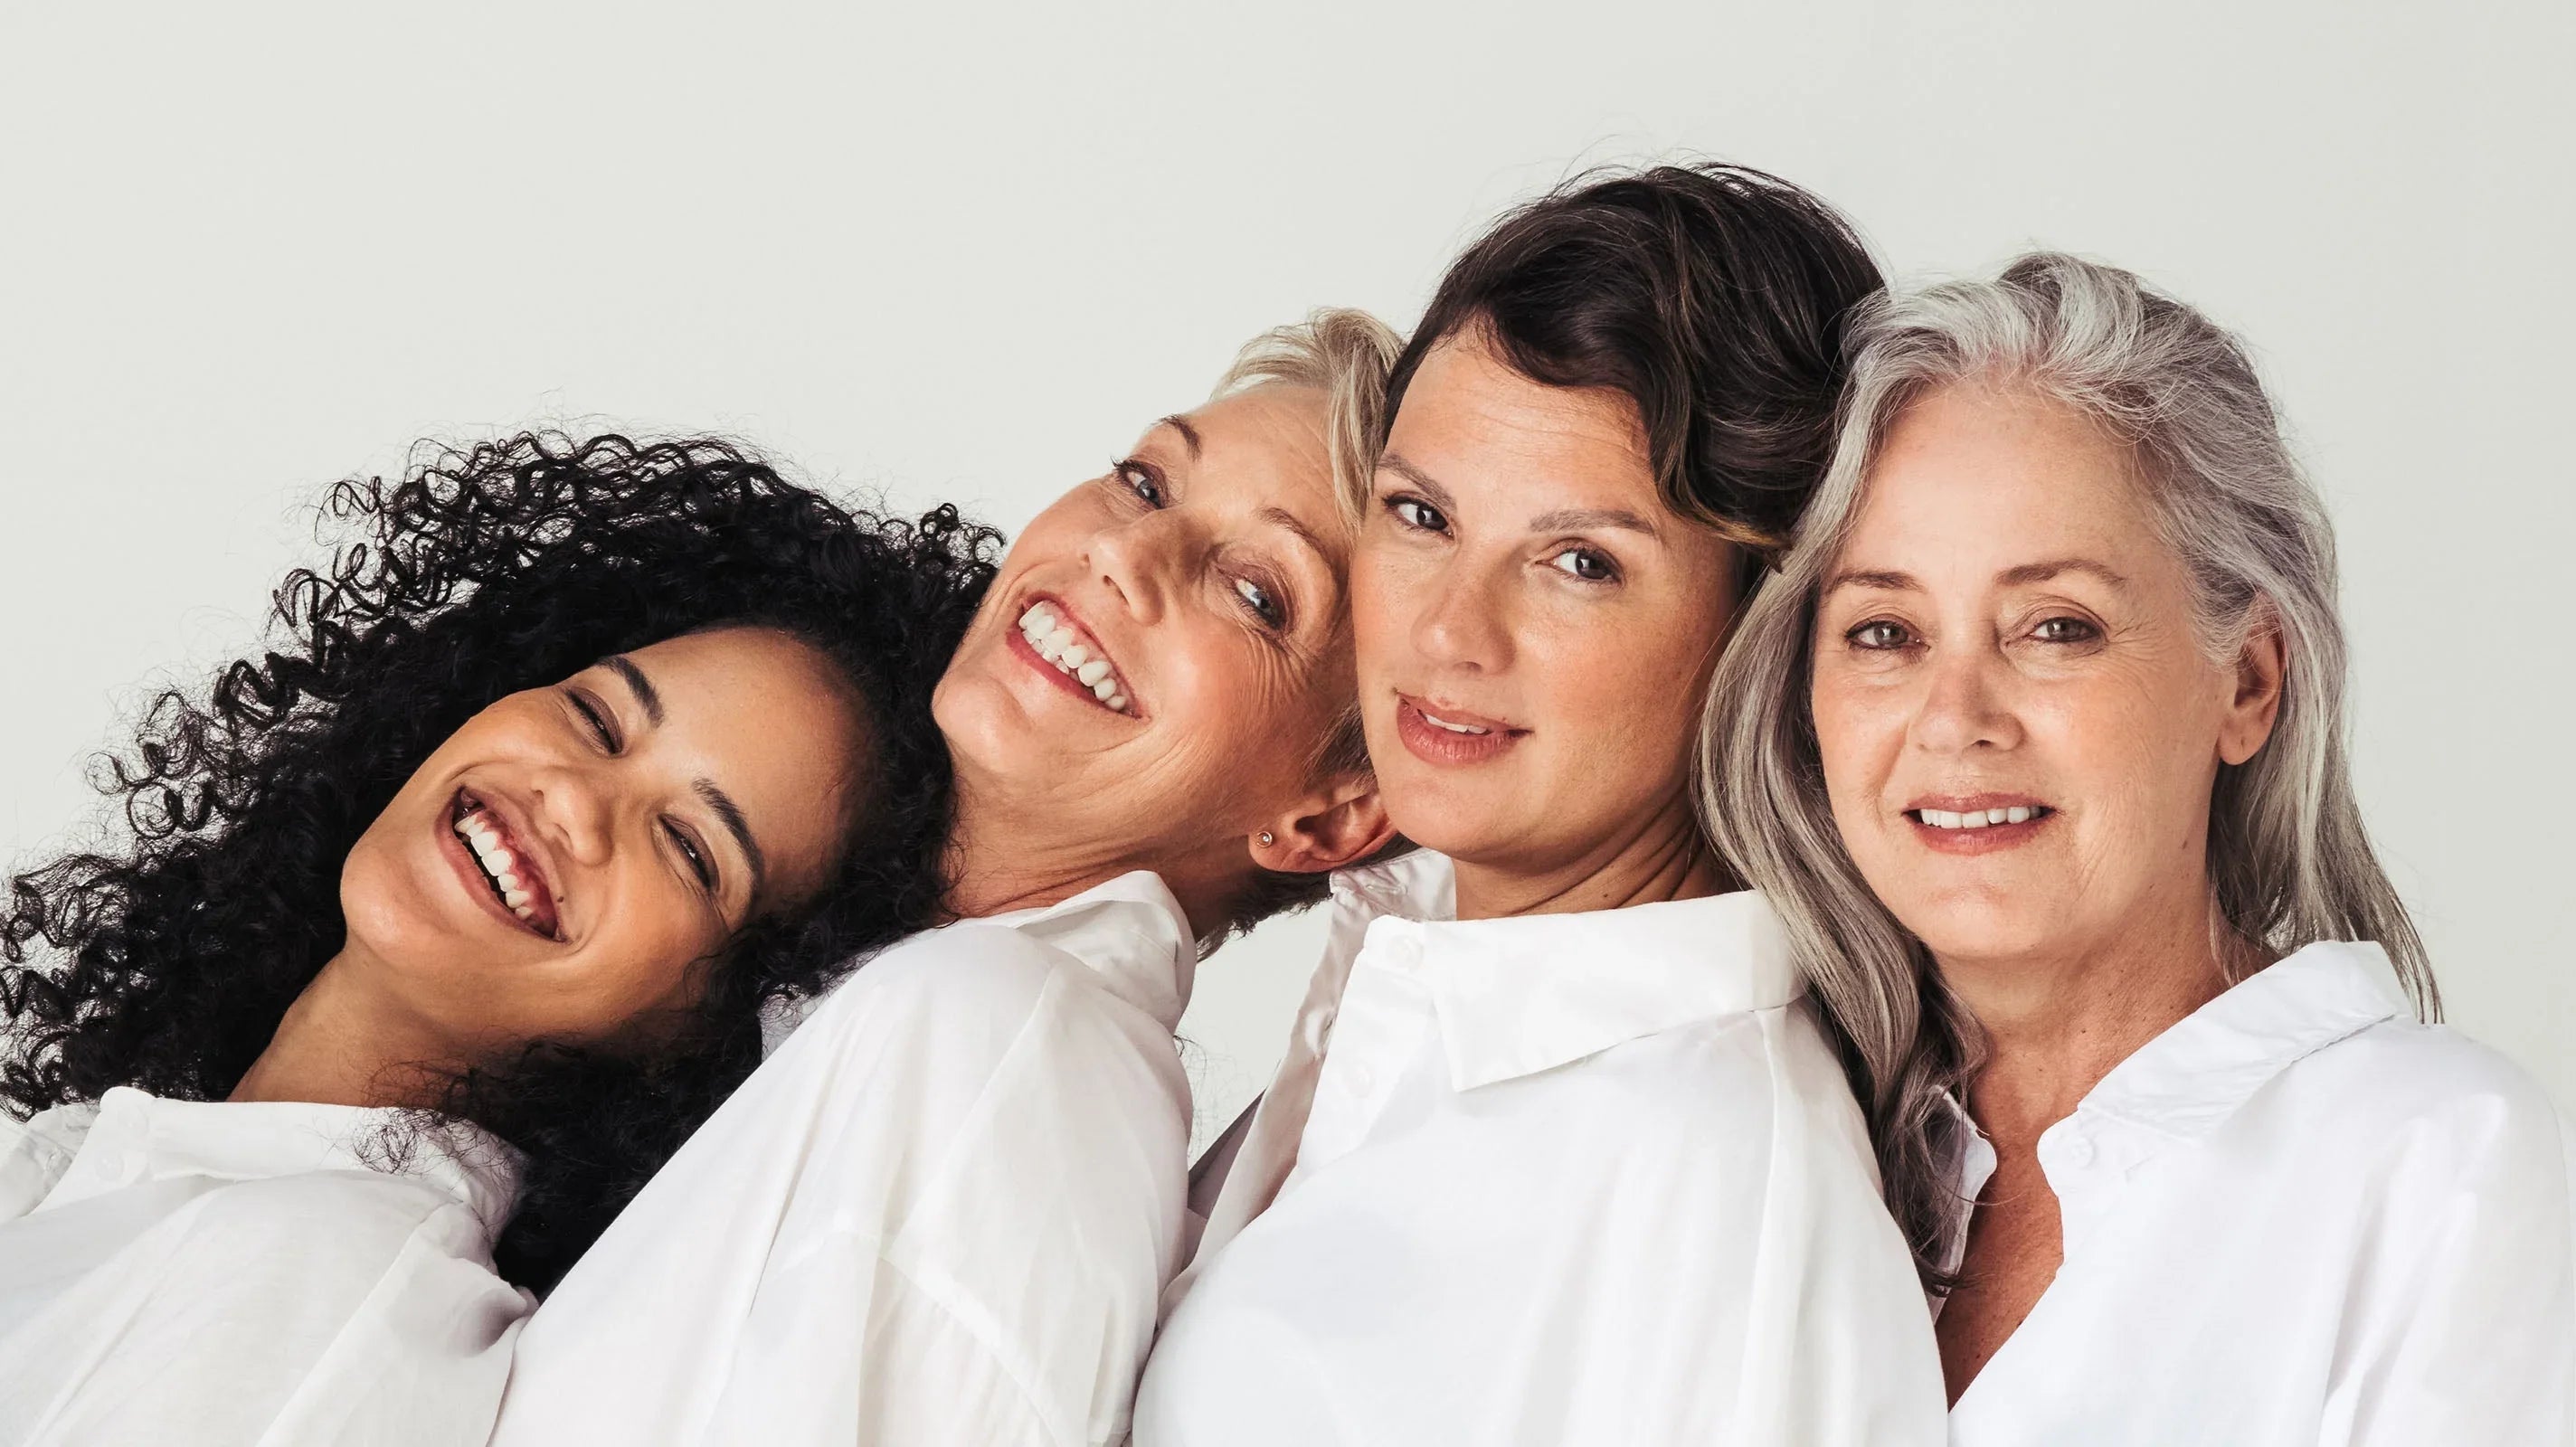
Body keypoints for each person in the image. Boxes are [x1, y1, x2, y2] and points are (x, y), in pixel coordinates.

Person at [1133, 165, 1947, 1445]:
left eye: (1581, 563)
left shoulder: (1724, 1198)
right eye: (1420, 514)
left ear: (1766, 632)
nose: (1449, 629)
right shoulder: (1418, 992)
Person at [489, 311, 1406, 1447]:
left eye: (1258, 592)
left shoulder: (1004, 1046)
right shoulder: (833, 979)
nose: (1125, 550)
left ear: (1325, 817)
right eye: (1144, 481)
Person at [1703, 251, 2576, 1443]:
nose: (1957, 718)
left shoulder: (2434, 1164)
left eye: (2057, 627)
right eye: (1885, 631)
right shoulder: (1778, 1139)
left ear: (2250, 683)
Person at [0, 433, 992, 1445]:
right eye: (599, 718)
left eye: (691, 849)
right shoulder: (142, 1160)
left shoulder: (336, 1279)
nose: (571, 800)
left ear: (712, 1034)